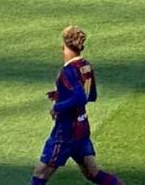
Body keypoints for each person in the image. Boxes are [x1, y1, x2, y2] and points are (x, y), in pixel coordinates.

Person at [29, 26, 124, 185]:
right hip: (82, 128)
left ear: (64, 46)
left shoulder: (68, 71)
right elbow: (90, 95)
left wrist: (57, 107)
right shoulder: (85, 65)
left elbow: (79, 97)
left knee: (40, 173)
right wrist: (61, 95)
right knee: (92, 173)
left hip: (65, 132)